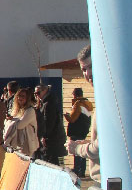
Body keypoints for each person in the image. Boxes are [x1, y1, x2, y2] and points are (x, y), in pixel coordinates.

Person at [67, 46, 99, 180]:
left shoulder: (109, 101)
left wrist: (77, 149)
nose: (88, 74)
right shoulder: (97, 101)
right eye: (84, 69)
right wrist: (87, 142)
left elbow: (101, 147)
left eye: (92, 67)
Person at [64, 87, 93, 178]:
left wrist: (66, 115)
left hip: (76, 130)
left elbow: (72, 119)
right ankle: (82, 171)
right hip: (84, 130)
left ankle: (76, 170)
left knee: (75, 149)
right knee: (82, 150)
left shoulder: (78, 104)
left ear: (74, 94)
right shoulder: (87, 103)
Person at [3, 87, 39, 157]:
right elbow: (7, 123)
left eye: (23, 96)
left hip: (27, 145)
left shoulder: (30, 110)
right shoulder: (15, 110)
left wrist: (11, 120)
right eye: (19, 96)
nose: (20, 98)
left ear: (27, 98)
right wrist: (10, 120)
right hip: (16, 145)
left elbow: (20, 125)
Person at [37, 85, 67, 164]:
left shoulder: (48, 104)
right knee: (54, 160)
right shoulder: (45, 102)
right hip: (54, 138)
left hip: (52, 139)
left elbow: (49, 122)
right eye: (35, 93)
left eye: (38, 93)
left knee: (52, 161)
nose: (36, 95)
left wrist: (45, 136)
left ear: (44, 91)